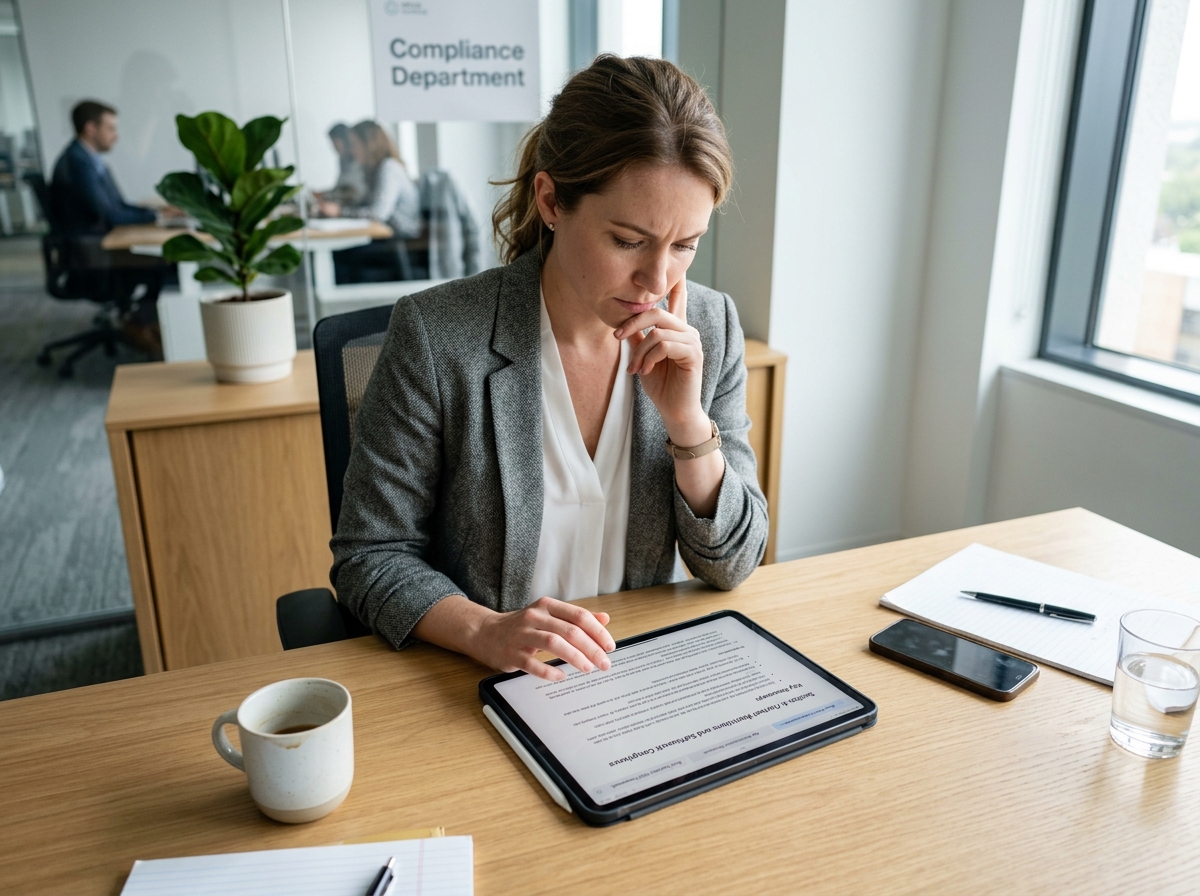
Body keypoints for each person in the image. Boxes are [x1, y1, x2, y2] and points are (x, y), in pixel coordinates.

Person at [331, 55, 768, 681]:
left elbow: (734, 563)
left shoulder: (710, 327)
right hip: (485, 680)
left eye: (685, 246)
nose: (657, 279)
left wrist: (689, 425)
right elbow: (369, 556)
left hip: (638, 677)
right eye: (627, 240)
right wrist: (483, 629)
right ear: (551, 199)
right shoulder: (437, 336)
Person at [49, 100, 170, 356]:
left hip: (93, 245)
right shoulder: (79, 163)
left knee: (165, 257)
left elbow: (116, 206)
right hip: (91, 254)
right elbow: (111, 214)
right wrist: (156, 217)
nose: (116, 136)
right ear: (91, 128)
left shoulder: (86, 158)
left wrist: (157, 213)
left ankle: (145, 321)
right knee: (166, 262)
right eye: (111, 128)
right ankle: (140, 323)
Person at [318, 120, 421, 282]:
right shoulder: (374, 170)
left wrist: (340, 212)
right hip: (388, 237)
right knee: (339, 251)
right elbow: (365, 203)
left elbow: (378, 213)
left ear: (369, 145)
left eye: (354, 144)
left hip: (400, 242)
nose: (351, 150)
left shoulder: (389, 168)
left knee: (341, 253)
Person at [315, 123, 367, 207]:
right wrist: (324, 194)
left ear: (345, 140)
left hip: (358, 206)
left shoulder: (358, 159)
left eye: (335, 142)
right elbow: (341, 186)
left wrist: (325, 195)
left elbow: (353, 190)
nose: (334, 147)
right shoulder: (343, 160)